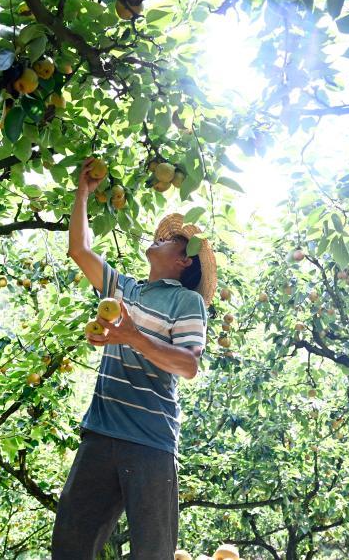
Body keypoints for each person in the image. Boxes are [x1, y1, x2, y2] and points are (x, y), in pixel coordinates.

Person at [52, 157, 217, 559]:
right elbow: (79, 249)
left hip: (150, 440)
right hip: (101, 432)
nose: (163, 237)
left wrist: (131, 335)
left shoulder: (187, 300)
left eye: (174, 239)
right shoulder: (124, 290)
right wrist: (83, 192)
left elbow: (189, 365)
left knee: (153, 554)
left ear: (183, 261)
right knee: (69, 549)